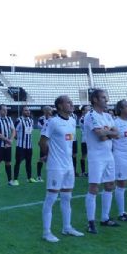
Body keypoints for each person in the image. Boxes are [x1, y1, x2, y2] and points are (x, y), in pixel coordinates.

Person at [39, 95, 84, 242]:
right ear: (59, 106)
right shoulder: (52, 122)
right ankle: (46, 233)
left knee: (67, 197)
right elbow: (42, 142)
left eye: (71, 102)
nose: (71, 104)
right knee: (51, 198)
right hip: (56, 166)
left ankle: (67, 227)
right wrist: (48, 155)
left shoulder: (72, 121)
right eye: (68, 102)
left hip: (68, 166)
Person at [83, 89, 119, 233]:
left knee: (110, 185)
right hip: (96, 157)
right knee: (94, 188)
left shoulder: (108, 116)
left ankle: (105, 218)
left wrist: (108, 134)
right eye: (104, 97)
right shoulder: (90, 116)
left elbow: (117, 134)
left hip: (108, 155)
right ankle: (90, 222)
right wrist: (109, 133)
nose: (107, 100)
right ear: (95, 100)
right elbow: (99, 134)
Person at [0, 104, 15, 188]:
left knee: (8, 162)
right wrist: (8, 140)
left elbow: (13, 131)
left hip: (8, 145)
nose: (5, 111)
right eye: (3, 110)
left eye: (6, 110)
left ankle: (10, 180)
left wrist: (11, 140)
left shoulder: (9, 119)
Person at [13, 106, 37, 184]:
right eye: (26, 110)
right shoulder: (19, 120)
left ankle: (29, 177)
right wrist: (18, 139)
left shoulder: (31, 121)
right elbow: (14, 131)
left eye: (28, 110)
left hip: (29, 146)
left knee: (29, 162)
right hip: (20, 146)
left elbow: (30, 131)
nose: (28, 112)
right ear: (22, 112)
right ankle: (15, 179)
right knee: (18, 162)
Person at [35, 106, 54, 181]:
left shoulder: (53, 119)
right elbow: (42, 128)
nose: (51, 111)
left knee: (51, 158)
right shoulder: (41, 119)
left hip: (51, 141)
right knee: (42, 158)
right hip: (44, 141)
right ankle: (39, 176)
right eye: (50, 110)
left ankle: (51, 175)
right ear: (45, 111)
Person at [78, 105, 90, 176]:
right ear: (83, 111)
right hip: (85, 140)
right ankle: (83, 172)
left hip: (90, 140)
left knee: (91, 156)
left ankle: (89, 171)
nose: (89, 111)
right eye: (87, 110)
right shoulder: (82, 119)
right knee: (84, 156)